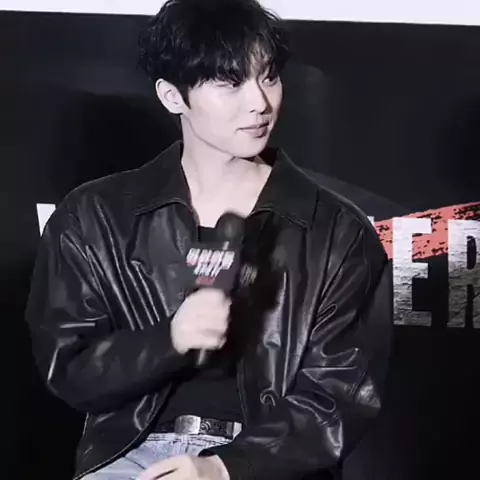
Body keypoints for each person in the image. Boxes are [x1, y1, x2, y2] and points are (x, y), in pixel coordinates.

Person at [25, 1, 393, 479]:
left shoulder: (337, 231)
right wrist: (168, 340)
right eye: (229, 82)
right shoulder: (94, 216)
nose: (259, 102)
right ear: (172, 96)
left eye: (268, 77)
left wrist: (223, 469)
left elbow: (337, 398)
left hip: (265, 466)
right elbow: (71, 369)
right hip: (131, 455)